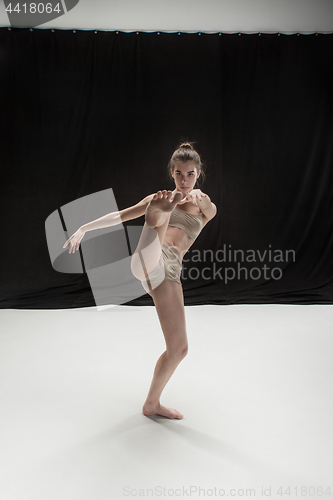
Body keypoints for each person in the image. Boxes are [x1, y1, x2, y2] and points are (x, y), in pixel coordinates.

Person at [63, 142, 217, 419]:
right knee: (156, 218)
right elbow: (119, 216)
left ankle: (152, 404)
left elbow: (210, 207)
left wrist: (199, 197)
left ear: (198, 174)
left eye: (190, 174)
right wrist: (84, 228)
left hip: (168, 274)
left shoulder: (203, 206)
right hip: (149, 258)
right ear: (172, 173)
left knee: (179, 348)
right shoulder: (160, 196)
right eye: (179, 174)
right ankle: (154, 219)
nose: (184, 180)